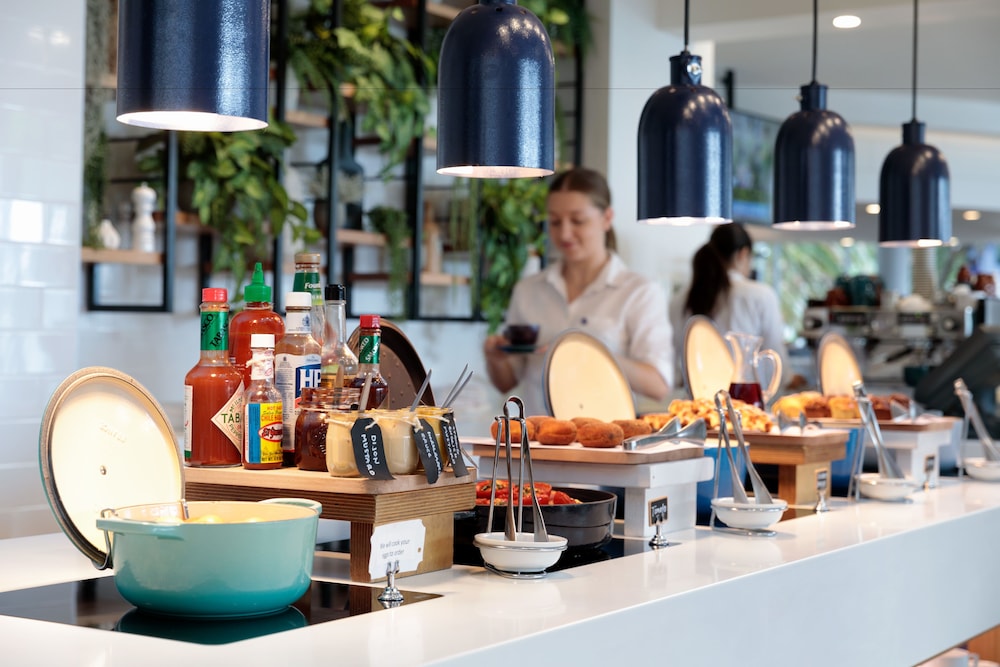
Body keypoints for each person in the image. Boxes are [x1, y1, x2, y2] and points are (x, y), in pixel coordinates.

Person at [483, 167, 673, 414]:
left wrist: (586, 352)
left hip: (605, 445)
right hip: (536, 443)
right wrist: (495, 358)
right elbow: (506, 382)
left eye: (577, 221)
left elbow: (658, 385)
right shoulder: (528, 290)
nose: (564, 233)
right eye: (554, 221)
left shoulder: (639, 292)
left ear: (606, 218)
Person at [668, 221, 802, 389]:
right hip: (742, 401)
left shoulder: (679, 300)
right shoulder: (760, 295)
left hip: (693, 403)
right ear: (743, 254)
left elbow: (674, 360)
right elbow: (774, 355)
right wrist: (788, 379)